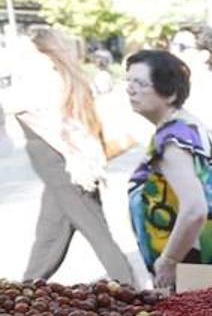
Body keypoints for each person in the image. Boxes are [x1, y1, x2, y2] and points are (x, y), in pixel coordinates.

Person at [13, 29, 136, 285]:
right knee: (51, 231)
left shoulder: (46, 76)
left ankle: (130, 287)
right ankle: (27, 287)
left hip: (59, 159)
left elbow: (54, 125)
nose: (23, 54)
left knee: (93, 227)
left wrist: (76, 158)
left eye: (29, 49)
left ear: (45, 52)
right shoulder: (62, 76)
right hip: (58, 159)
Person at [125, 49, 212, 288]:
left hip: (191, 273)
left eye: (141, 83)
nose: (130, 89)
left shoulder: (172, 139)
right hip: (209, 267)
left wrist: (168, 261)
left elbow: (195, 209)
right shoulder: (190, 126)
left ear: (171, 92)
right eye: (129, 81)